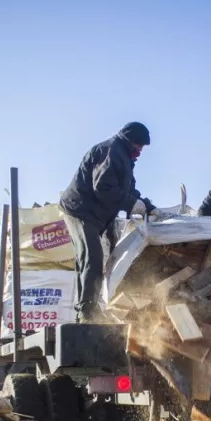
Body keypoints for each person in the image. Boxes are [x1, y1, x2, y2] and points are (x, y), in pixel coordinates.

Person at [59, 122, 156, 323]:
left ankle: (87, 308)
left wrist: (148, 206)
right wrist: (131, 204)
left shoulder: (126, 159)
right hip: (80, 210)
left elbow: (129, 191)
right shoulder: (111, 152)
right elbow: (102, 187)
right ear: (130, 141)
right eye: (139, 146)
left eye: (143, 148)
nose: (140, 151)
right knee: (92, 257)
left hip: (98, 215)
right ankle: (87, 312)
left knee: (97, 259)